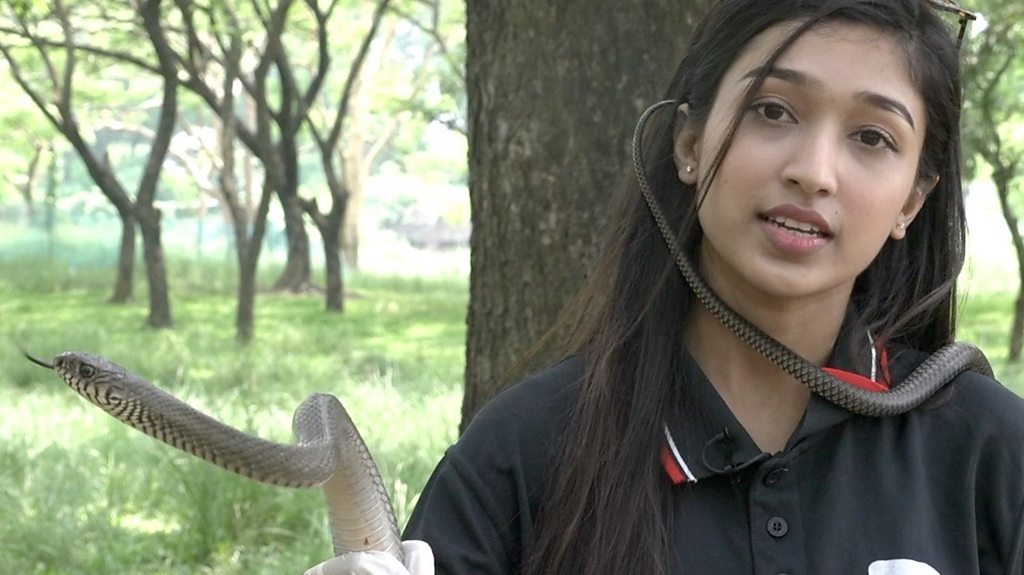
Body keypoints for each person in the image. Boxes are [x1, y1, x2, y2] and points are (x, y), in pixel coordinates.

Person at [307, 0, 1024, 572]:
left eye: (873, 137)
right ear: (688, 143)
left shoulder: (990, 450)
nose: (814, 169)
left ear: (912, 201)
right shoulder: (524, 450)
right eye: (773, 111)